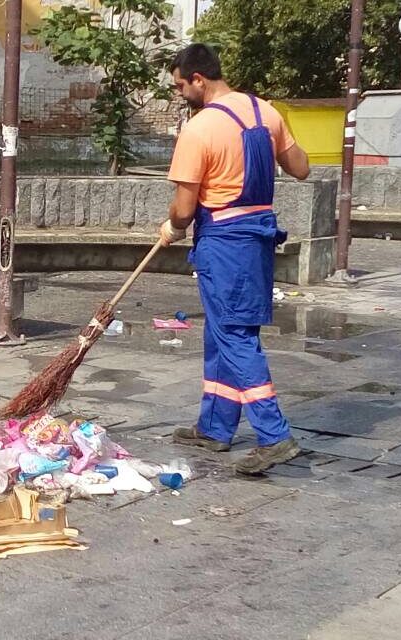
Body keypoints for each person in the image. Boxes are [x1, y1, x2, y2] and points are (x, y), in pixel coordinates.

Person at [159, 44, 310, 474]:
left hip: (224, 240)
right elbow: (301, 168)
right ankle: (215, 426)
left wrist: (171, 226)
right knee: (224, 331)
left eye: (179, 85)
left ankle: (274, 435)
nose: (179, 93)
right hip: (258, 234)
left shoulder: (200, 129)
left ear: (198, 80)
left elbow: (185, 209)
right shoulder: (266, 112)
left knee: (236, 336)